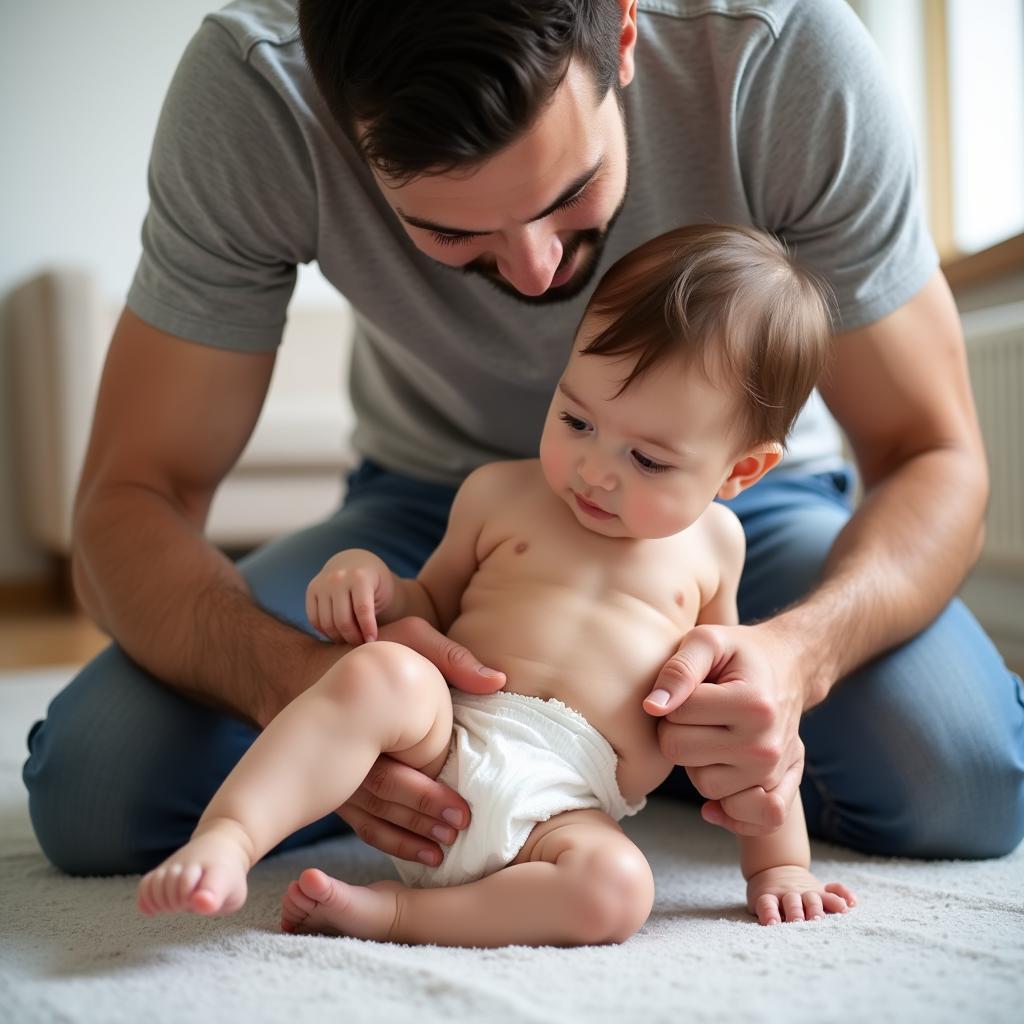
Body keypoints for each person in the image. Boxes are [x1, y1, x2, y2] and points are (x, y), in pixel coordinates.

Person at [24, 0, 1023, 877]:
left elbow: (933, 455)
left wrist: (795, 659)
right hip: (437, 504)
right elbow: (129, 498)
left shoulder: (781, 55)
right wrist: (302, 683)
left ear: (622, 32)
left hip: (735, 521)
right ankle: (559, 751)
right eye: (454, 234)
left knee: (962, 781)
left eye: (571, 194)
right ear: (340, 125)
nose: (542, 274)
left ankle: (630, 754)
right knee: (99, 791)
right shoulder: (256, 92)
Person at [137, 225, 856, 942]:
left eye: (648, 460)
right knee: (384, 673)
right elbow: (429, 607)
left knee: (620, 887)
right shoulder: (498, 495)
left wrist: (778, 868)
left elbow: (731, 720)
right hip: (444, 743)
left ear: (740, 472)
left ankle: (395, 914)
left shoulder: (714, 548)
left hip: (564, 810)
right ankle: (230, 839)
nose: (595, 470)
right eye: (576, 418)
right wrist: (372, 585)